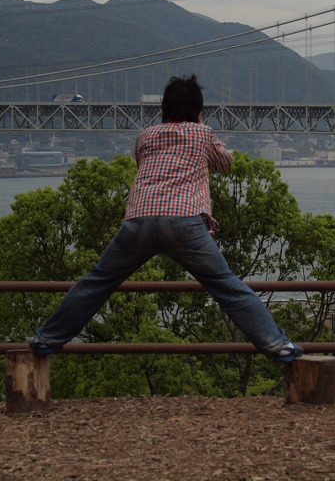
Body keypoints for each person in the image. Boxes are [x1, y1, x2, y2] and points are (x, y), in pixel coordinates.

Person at [30, 75, 303, 363]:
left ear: (164, 107)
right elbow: (224, 164)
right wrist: (203, 135)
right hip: (185, 222)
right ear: (198, 109)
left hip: (139, 220)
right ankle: (277, 345)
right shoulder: (203, 133)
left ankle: (48, 339)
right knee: (227, 287)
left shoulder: (146, 135)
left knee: (96, 283)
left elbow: (143, 163)